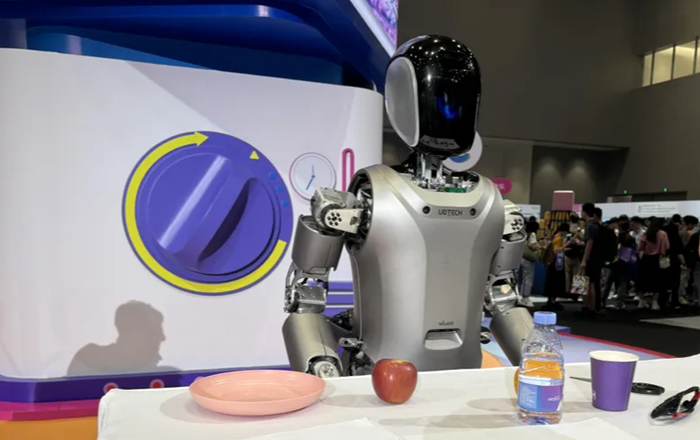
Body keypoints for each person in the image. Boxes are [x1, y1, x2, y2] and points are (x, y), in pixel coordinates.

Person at [638, 217, 670, 310]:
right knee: (657, 281)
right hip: (657, 259)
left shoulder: (646, 233)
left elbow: (641, 247)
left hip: (646, 259)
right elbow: (667, 247)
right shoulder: (663, 234)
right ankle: (654, 303)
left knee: (642, 280)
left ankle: (642, 301)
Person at [580, 202, 603, 315]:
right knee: (592, 282)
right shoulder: (597, 225)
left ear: (585, 212)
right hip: (597, 258)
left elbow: (589, 243)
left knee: (589, 283)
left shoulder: (590, 225)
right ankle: (591, 306)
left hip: (591, 258)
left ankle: (590, 307)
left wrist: (584, 259)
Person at [610, 221, 636, 309]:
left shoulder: (617, 238)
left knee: (610, 281)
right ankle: (620, 302)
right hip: (626, 261)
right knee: (623, 282)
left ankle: (603, 300)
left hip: (616, 261)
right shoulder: (631, 238)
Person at [543, 223, 569, 310]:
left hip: (553, 263)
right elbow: (556, 250)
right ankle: (552, 300)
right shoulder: (558, 238)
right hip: (556, 263)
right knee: (554, 282)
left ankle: (552, 300)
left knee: (552, 282)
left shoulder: (555, 236)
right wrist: (567, 245)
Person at [662, 220, 685, 309]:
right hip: (675, 263)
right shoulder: (677, 239)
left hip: (664, 262)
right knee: (675, 284)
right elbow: (679, 253)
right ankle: (674, 302)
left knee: (664, 283)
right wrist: (684, 263)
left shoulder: (664, 239)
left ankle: (662, 301)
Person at [519, 221, 540, 308]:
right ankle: (526, 298)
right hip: (528, 258)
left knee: (522, 278)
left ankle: (520, 297)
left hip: (519, 257)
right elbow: (533, 246)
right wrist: (539, 246)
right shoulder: (532, 234)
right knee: (528, 278)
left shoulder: (521, 234)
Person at [563, 214, 584, 294]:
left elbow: (564, 241)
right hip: (577, 255)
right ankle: (576, 292)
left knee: (567, 273)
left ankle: (567, 291)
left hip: (567, 253)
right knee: (577, 274)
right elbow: (584, 241)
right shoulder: (580, 230)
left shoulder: (567, 229)